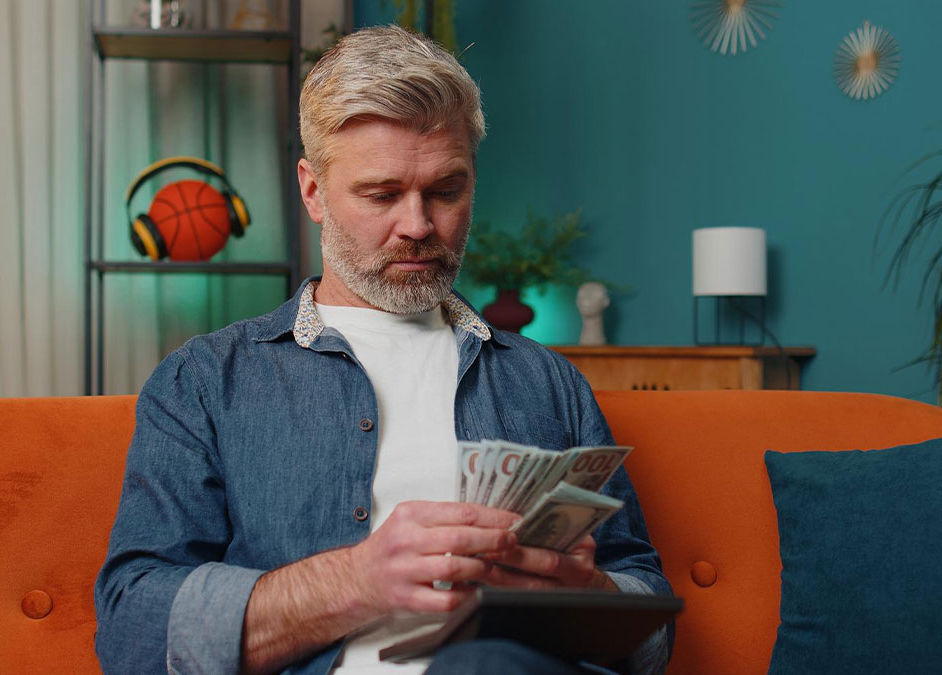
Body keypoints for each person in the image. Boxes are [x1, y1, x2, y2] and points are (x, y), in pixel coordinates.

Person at [94, 25, 672, 675]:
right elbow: (134, 628)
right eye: (382, 193)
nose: (419, 225)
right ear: (313, 190)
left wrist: (589, 597)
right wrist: (355, 581)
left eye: (446, 190)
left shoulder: (546, 382)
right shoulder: (204, 382)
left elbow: (647, 618)